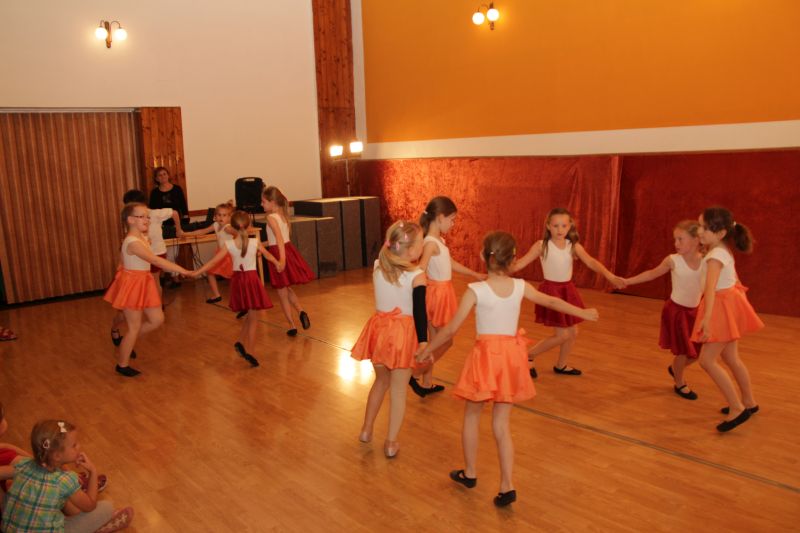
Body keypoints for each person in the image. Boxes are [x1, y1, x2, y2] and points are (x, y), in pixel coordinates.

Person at [417, 231, 598, 507]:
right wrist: (583, 312)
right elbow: (551, 302)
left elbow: (451, 329)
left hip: (486, 358)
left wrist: (427, 349)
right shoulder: (520, 286)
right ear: (513, 259)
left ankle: (470, 473)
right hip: (511, 358)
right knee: (501, 424)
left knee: (472, 415)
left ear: (483, 256)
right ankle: (507, 485)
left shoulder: (476, 290)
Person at [511, 207, 624, 377]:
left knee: (573, 332)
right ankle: (528, 355)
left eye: (564, 226)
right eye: (555, 226)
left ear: (570, 226)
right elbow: (520, 264)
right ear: (548, 226)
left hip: (567, 290)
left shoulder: (573, 246)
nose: (560, 230)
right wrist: (498, 270)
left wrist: (609, 275)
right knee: (562, 335)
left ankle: (561, 365)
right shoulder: (542, 246)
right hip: (551, 292)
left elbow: (591, 262)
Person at [351, 221, 428, 458]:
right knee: (398, 390)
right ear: (411, 250)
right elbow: (420, 313)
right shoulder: (417, 276)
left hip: (379, 332)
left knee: (380, 382)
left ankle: (366, 430)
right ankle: (391, 442)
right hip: (401, 335)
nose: (423, 245)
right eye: (421, 242)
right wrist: (423, 342)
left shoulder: (378, 265)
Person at [690, 207, 764, 432]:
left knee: (706, 361)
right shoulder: (721, 250)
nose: (699, 231)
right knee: (731, 357)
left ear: (721, 233)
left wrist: (707, 320)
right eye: (699, 225)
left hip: (721, 307)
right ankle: (749, 402)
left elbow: (710, 289)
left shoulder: (715, 256)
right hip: (728, 304)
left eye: (704, 228)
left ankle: (737, 408)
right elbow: (733, 279)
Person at [103, 203, 193, 377]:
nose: (147, 220)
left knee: (157, 319)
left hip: (144, 280)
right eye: (142, 217)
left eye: (147, 216)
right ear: (130, 220)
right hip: (132, 284)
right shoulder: (132, 242)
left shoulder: (142, 238)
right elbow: (156, 261)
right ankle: (122, 364)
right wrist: (183, 270)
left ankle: (125, 338)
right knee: (134, 326)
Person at [410, 196, 485, 398]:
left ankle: (426, 383)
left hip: (443, 292)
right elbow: (421, 267)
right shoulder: (430, 243)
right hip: (436, 295)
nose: (453, 224)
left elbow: (450, 263)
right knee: (444, 341)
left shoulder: (439, 242)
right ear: (440, 217)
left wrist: (474, 274)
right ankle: (415, 372)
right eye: (452, 219)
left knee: (435, 341)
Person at [0, 420, 133, 532]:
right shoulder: (65, 480)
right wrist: (93, 471)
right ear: (57, 456)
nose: (79, 446)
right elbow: (91, 506)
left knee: (60, 499)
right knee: (106, 507)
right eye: (74, 445)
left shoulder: (22, 465)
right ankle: (100, 527)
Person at [622, 220, 704, 400]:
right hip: (676, 312)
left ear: (696, 240)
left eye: (680, 239)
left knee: (699, 352)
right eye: (675, 239)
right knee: (683, 351)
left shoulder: (706, 261)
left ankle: (675, 368)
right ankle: (679, 383)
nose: (676, 243)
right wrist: (628, 281)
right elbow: (651, 273)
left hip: (695, 312)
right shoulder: (673, 260)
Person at [193, 210, 281, 367]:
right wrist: (278, 263)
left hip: (239, 281)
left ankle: (240, 342)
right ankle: (251, 351)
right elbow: (268, 255)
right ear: (249, 226)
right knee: (253, 318)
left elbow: (213, 262)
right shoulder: (254, 242)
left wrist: (196, 272)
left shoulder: (230, 244)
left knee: (251, 315)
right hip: (251, 281)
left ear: (232, 227)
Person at [261, 186, 314, 336]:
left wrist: (281, 260)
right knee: (287, 288)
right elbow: (277, 239)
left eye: (264, 202)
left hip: (279, 253)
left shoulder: (271, 217)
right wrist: (259, 245)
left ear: (272, 202)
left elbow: (278, 239)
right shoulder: (283, 215)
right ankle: (301, 311)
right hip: (286, 250)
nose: (261, 204)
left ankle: (292, 325)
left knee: (282, 293)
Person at [181, 202, 236, 303]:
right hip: (220, 254)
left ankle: (239, 296)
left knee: (233, 276)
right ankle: (217, 295)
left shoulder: (227, 228)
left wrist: (240, 231)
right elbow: (202, 231)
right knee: (210, 272)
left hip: (229, 255)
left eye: (224, 215)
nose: (221, 218)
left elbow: (237, 232)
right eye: (219, 215)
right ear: (215, 216)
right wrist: (186, 234)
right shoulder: (215, 225)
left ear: (229, 217)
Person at [148, 167, 188, 289]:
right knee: (162, 253)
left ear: (168, 175)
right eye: (160, 175)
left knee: (172, 255)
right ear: (156, 179)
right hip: (160, 227)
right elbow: (152, 210)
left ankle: (171, 277)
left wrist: (183, 224)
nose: (163, 177)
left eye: (164, 174)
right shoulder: (155, 193)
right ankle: (166, 277)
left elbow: (183, 206)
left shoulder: (177, 189)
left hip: (176, 225)